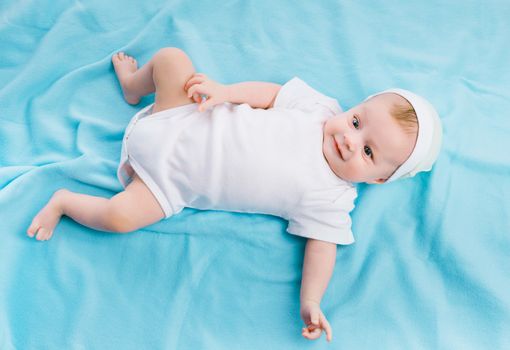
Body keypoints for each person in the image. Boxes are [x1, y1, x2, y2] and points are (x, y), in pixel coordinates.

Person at [27, 47, 442, 342]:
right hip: (178, 115)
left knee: (119, 217)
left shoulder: (332, 200)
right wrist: (226, 91)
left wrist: (312, 300)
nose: (351, 140)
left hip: (168, 184)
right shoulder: (321, 109)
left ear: (380, 180)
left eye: (368, 152)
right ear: (353, 108)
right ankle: (134, 87)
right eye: (356, 122)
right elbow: (270, 93)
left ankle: (63, 202)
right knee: (172, 60)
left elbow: (322, 250)